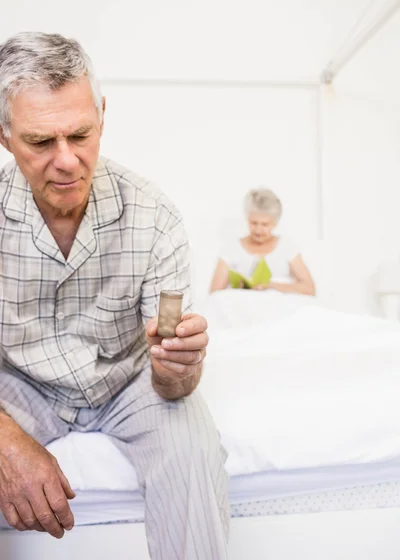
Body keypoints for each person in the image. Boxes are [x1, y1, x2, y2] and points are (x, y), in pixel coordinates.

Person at [0, 32, 229, 560]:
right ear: (5, 136)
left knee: (193, 444)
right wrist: (7, 443)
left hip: (130, 382)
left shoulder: (155, 216)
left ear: (101, 115)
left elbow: (173, 377)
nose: (67, 162)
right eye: (40, 142)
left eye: (80, 134)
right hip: (20, 385)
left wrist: (180, 370)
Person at [210, 188, 315, 296]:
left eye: (265, 224)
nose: (258, 230)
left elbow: (309, 289)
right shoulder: (231, 248)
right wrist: (240, 289)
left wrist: (270, 285)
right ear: (247, 219)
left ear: (275, 223)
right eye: (254, 223)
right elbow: (214, 294)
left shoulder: (287, 247)